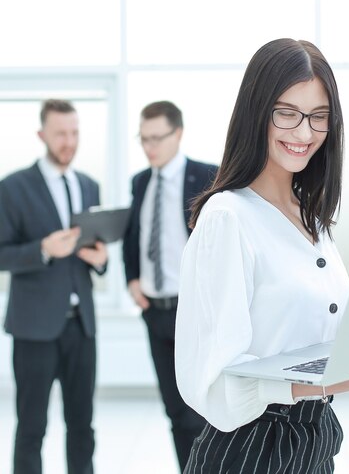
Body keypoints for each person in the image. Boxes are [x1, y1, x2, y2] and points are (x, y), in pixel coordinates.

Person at [174, 38, 349, 473]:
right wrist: (331, 380)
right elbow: (215, 383)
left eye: (318, 117)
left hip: (314, 441)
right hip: (250, 450)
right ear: (256, 113)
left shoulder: (312, 219)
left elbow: (324, 332)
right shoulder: (227, 217)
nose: (304, 133)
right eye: (287, 114)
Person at [0, 99, 108, 474]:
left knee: (83, 426)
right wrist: (43, 250)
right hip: (34, 329)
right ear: (42, 135)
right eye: (61, 133)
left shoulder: (88, 185)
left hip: (82, 326)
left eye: (75, 132)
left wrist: (102, 261)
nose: (69, 141)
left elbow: (97, 248)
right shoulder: (13, 187)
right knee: (32, 428)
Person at [122, 101, 218, 471]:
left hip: (193, 311)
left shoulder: (208, 176)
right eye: (143, 140)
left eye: (157, 138)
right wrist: (131, 278)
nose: (150, 147)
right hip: (155, 312)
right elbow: (135, 236)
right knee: (175, 412)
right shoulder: (141, 181)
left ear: (177, 133)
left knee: (204, 410)